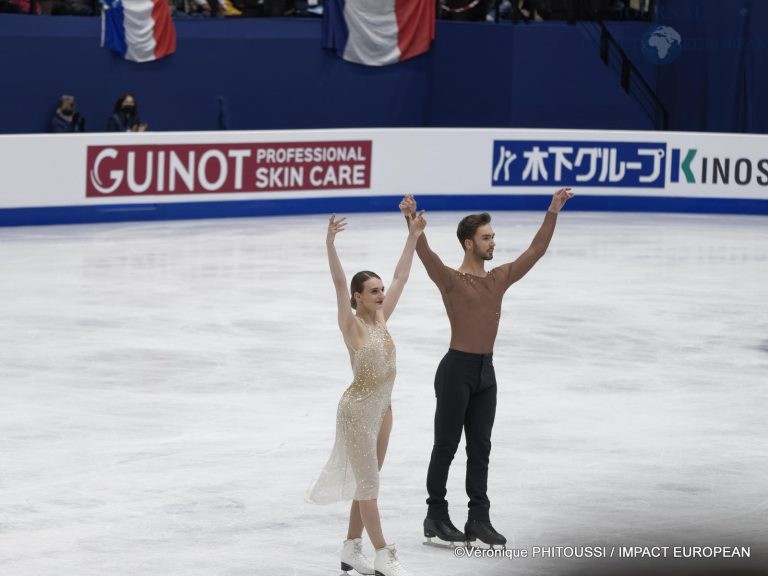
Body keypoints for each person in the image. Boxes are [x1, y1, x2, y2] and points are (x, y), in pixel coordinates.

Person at [401, 188, 574, 549]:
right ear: (469, 243)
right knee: (446, 446)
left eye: (493, 236)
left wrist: (553, 211)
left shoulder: (498, 279)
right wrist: (411, 223)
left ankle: (478, 517)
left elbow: (535, 251)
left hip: (485, 373)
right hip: (456, 371)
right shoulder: (450, 280)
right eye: (486, 237)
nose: (493, 242)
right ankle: (435, 514)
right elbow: (426, 254)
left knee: (480, 448)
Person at [306, 205, 426, 576]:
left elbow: (402, 277)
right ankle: (383, 555)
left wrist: (412, 236)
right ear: (358, 297)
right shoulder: (352, 326)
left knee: (367, 481)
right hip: (357, 411)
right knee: (369, 485)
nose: (380, 294)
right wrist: (330, 245)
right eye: (373, 291)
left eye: (380, 290)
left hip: (384, 409)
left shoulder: (382, 317)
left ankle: (350, 547)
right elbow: (340, 284)